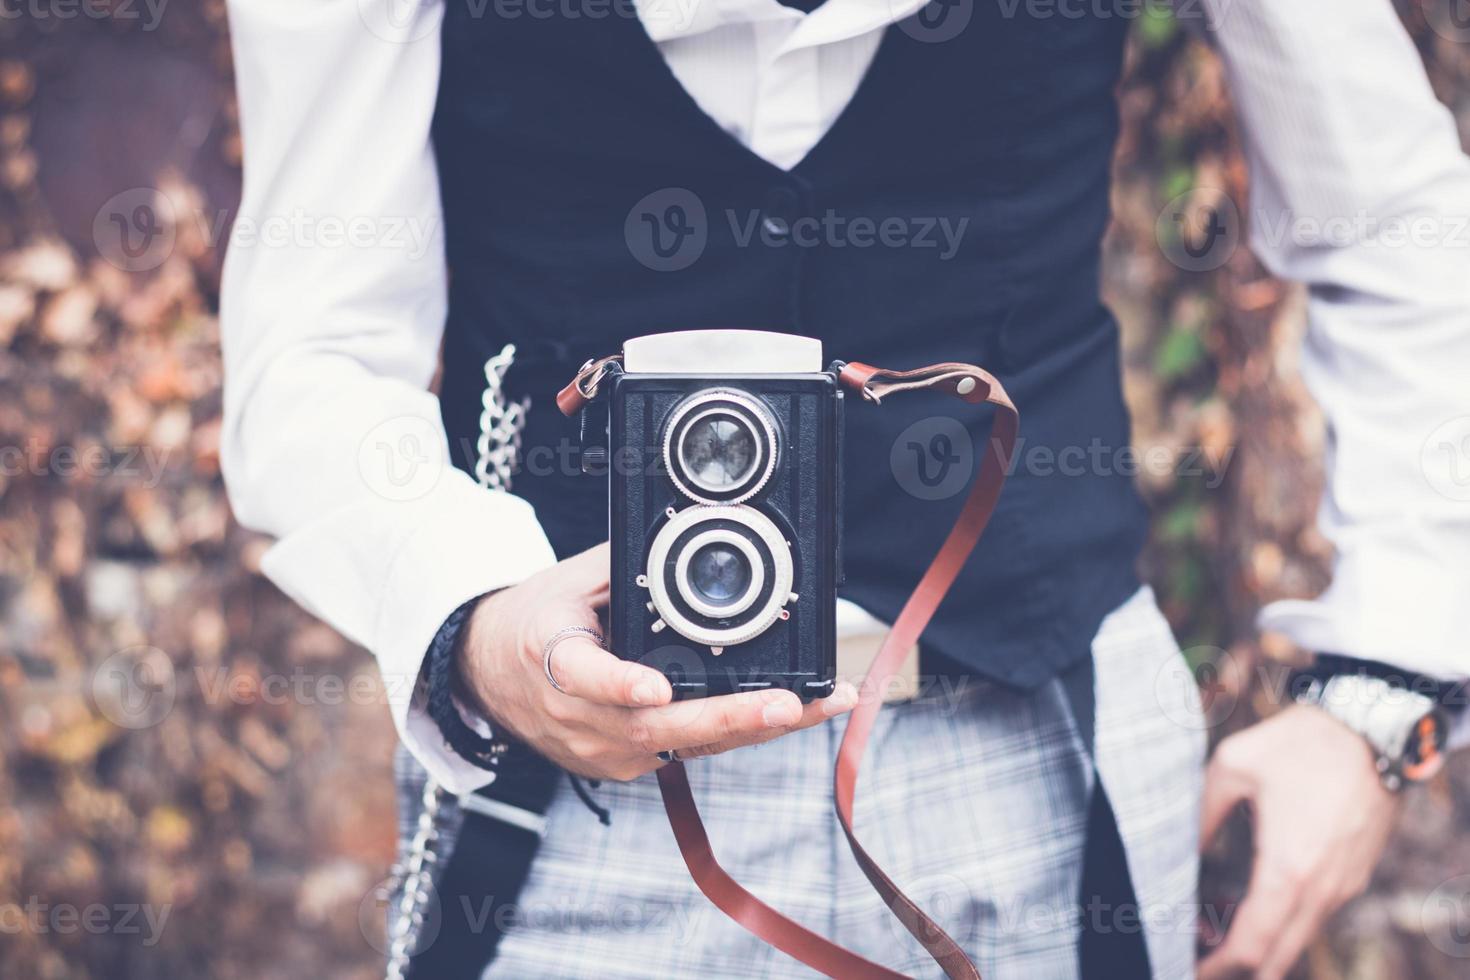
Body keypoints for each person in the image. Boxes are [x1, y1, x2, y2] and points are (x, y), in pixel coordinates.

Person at [220, 0, 1470, 977]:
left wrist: (1382, 687)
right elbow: (314, 347)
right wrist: (476, 624)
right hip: (570, 818)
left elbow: (1397, 218)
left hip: (1048, 759)